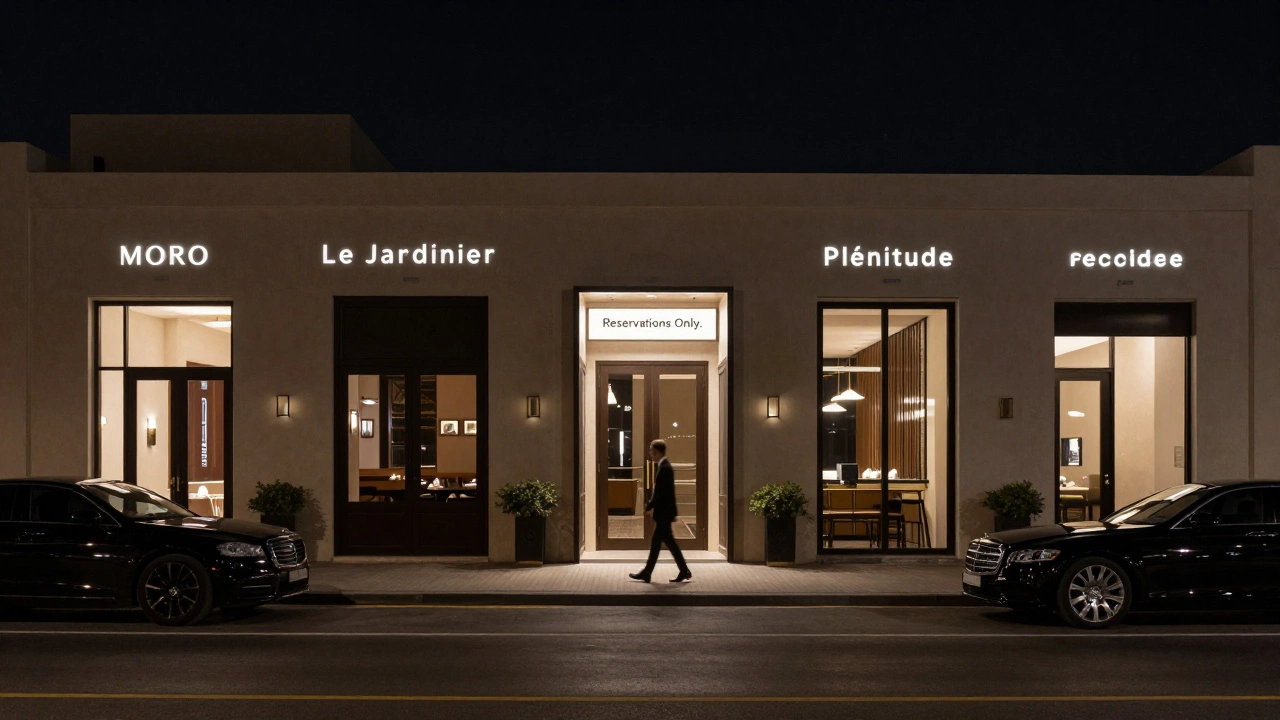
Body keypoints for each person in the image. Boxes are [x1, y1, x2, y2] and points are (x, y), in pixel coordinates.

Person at [629, 439, 693, 583]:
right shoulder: (664, 466)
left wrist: (649, 506)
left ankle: (649, 573)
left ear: (656, 451)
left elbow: (660, 493)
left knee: (660, 544)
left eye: (651, 450)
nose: (650, 453)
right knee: (662, 544)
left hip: (664, 513)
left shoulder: (664, 468)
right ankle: (681, 571)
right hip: (665, 513)